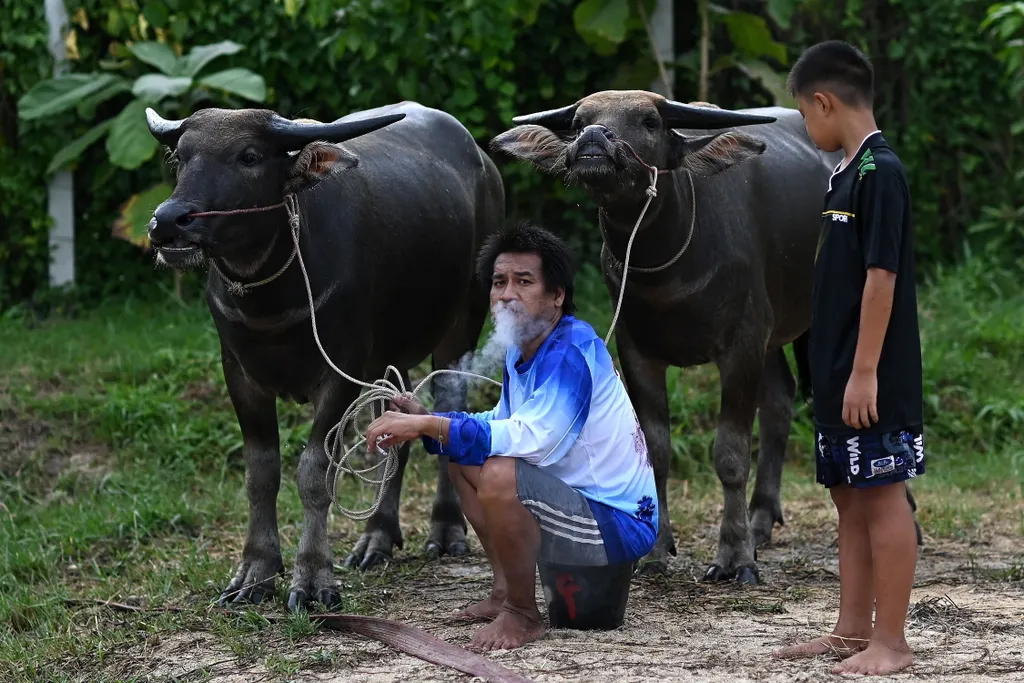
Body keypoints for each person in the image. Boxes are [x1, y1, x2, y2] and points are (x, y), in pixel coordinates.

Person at [365, 221, 658, 652]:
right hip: (581, 506)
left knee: (499, 470)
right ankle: (505, 591)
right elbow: (503, 422)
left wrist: (428, 426)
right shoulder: (527, 349)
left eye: (524, 282)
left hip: (619, 522)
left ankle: (522, 613)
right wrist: (429, 418)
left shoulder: (569, 352)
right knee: (466, 457)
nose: (506, 294)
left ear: (556, 295)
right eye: (499, 282)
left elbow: (533, 438)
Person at [772, 41, 926, 676]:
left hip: (872, 376)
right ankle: (850, 628)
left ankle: (892, 640)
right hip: (834, 373)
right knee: (848, 495)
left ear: (824, 102)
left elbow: (881, 279)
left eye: (804, 116)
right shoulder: (840, 175)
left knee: (883, 496)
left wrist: (865, 372)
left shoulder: (879, 173)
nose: (807, 130)